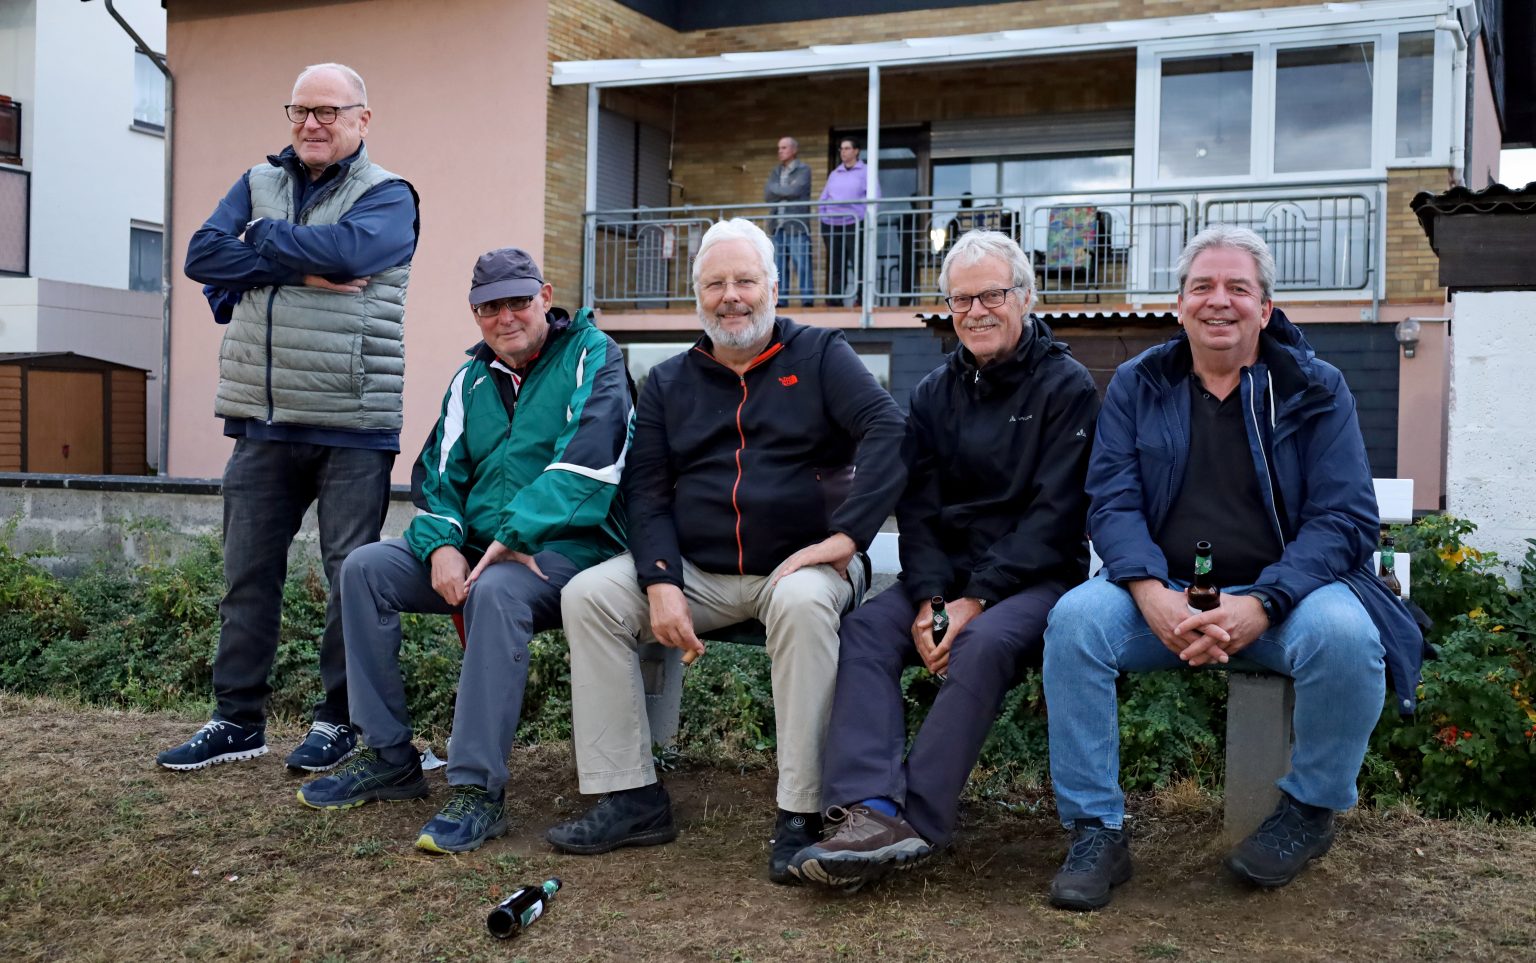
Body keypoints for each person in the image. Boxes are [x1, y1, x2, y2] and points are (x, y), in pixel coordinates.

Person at [1040, 224, 1425, 910]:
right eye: (1202, 287)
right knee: (1074, 623)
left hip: (1289, 596)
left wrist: (1265, 601)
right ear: (1180, 304)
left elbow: (1344, 519)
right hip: (1162, 593)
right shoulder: (1138, 383)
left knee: (1347, 637)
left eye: (1237, 288)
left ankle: (1308, 810)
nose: (1220, 301)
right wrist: (1152, 591)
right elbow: (1112, 499)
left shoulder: (1314, 387)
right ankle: (1097, 828)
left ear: (1265, 308)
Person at [547, 218, 907, 884]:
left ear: (773, 286)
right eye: (715, 283)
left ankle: (802, 811)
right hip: (700, 569)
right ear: (698, 296)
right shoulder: (668, 382)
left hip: (805, 565)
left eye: (745, 280)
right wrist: (659, 579)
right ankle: (630, 795)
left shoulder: (823, 356)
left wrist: (848, 535)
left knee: (801, 603)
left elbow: (890, 428)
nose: (731, 295)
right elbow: (646, 488)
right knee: (588, 594)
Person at [789, 231, 1100, 889]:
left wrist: (972, 600)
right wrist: (930, 596)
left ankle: (916, 820)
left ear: (1025, 296)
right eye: (961, 299)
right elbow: (919, 509)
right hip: (949, 577)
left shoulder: (1067, 387)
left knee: (982, 643)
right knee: (868, 630)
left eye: (991, 294)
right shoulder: (933, 392)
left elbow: (1056, 517)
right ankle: (867, 808)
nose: (976, 310)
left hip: (1034, 579)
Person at [296, 247, 632, 853]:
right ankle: (389, 756)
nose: (505, 318)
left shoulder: (593, 355)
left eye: (518, 302)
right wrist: (442, 546)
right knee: (366, 568)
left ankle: (479, 789)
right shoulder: (469, 378)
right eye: (488, 307)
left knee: (500, 590)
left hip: (571, 550)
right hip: (477, 549)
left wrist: (511, 538)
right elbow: (437, 479)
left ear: (546, 297)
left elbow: (590, 461)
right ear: (475, 314)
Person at [159, 63, 420, 773]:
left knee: (350, 583)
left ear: (362, 119)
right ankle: (236, 719)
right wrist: (297, 268)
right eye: (300, 110)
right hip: (262, 419)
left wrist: (258, 245)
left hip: (351, 422)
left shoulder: (389, 195)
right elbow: (200, 255)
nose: (312, 123)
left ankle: (341, 721)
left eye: (329, 111)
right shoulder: (256, 179)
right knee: (245, 577)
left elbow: (354, 250)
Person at [818, 138, 878, 308]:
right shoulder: (835, 173)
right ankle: (834, 299)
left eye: (847, 148)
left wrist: (859, 215)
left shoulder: (865, 171)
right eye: (841, 149)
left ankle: (860, 298)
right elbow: (823, 198)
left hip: (854, 223)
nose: (843, 152)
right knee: (836, 263)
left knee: (857, 261)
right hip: (831, 224)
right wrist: (823, 216)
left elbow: (874, 197)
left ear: (856, 151)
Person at [764, 136, 813, 308]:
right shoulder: (775, 171)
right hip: (777, 225)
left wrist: (779, 191)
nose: (780, 151)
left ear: (793, 150)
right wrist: (783, 191)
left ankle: (807, 300)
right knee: (778, 266)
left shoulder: (803, 169)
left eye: (784, 148)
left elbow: (796, 190)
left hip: (797, 225)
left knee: (802, 264)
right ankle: (781, 300)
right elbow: (768, 194)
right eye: (779, 148)